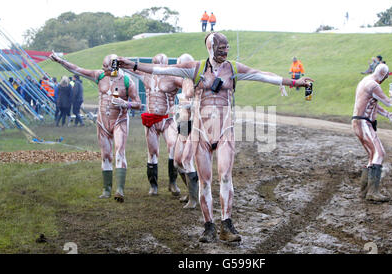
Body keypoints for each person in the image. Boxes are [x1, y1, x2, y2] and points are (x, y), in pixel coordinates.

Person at [117, 32, 314, 243]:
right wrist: (133, 66)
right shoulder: (196, 68)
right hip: (201, 132)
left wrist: (295, 82)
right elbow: (160, 70)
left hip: (224, 130)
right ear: (211, 48)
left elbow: (262, 75)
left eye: (226, 48)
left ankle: (226, 224)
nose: (225, 52)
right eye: (221, 48)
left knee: (226, 177)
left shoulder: (233, 68)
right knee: (205, 181)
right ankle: (208, 226)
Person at [50, 52, 141, 203]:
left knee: (119, 152)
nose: (103, 68)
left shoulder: (126, 81)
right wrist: (60, 61)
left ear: (115, 67)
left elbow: (138, 104)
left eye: (106, 67)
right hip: (102, 121)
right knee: (106, 155)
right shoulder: (99, 76)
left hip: (120, 120)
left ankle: (120, 189)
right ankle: (106, 189)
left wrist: (126, 104)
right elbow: (77, 69)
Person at [126, 53, 186, 197]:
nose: (159, 67)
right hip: (151, 120)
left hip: (167, 119)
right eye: (156, 64)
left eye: (162, 64)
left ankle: (173, 183)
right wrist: (120, 62)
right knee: (152, 152)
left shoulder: (173, 78)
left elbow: (189, 86)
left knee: (172, 146)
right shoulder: (146, 76)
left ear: (167, 64)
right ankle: (153, 185)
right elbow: (130, 68)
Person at [352, 63, 392, 203]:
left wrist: (387, 114)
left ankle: (364, 191)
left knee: (372, 154)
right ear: (383, 75)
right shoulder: (373, 85)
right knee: (379, 153)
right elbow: (388, 102)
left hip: (359, 122)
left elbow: (372, 104)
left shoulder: (364, 82)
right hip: (364, 122)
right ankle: (372, 192)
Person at [173, 53, 199, 209]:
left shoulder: (198, 79)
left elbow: (205, 101)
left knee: (187, 159)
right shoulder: (183, 80)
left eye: (181, 66)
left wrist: (191, 105)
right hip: (183, 123)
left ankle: (194, 199)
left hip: (195, 124)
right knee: (177, 161)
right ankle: (190, 192)